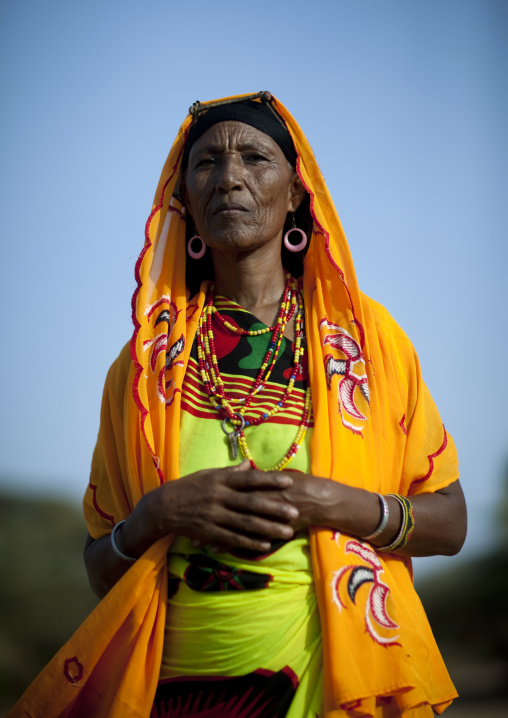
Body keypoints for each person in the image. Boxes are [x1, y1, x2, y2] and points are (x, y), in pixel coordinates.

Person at [9, 92, 466, 718]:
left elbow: (450, 522)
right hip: (175, 691)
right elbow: (100, 568)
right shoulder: (142, 369)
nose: (230, 178)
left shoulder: (368, 343)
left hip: (329, 683)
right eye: (205, 165)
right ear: (186, 203)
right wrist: (156, 515)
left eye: (255, 158)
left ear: (297, 192)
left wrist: (332, 503)